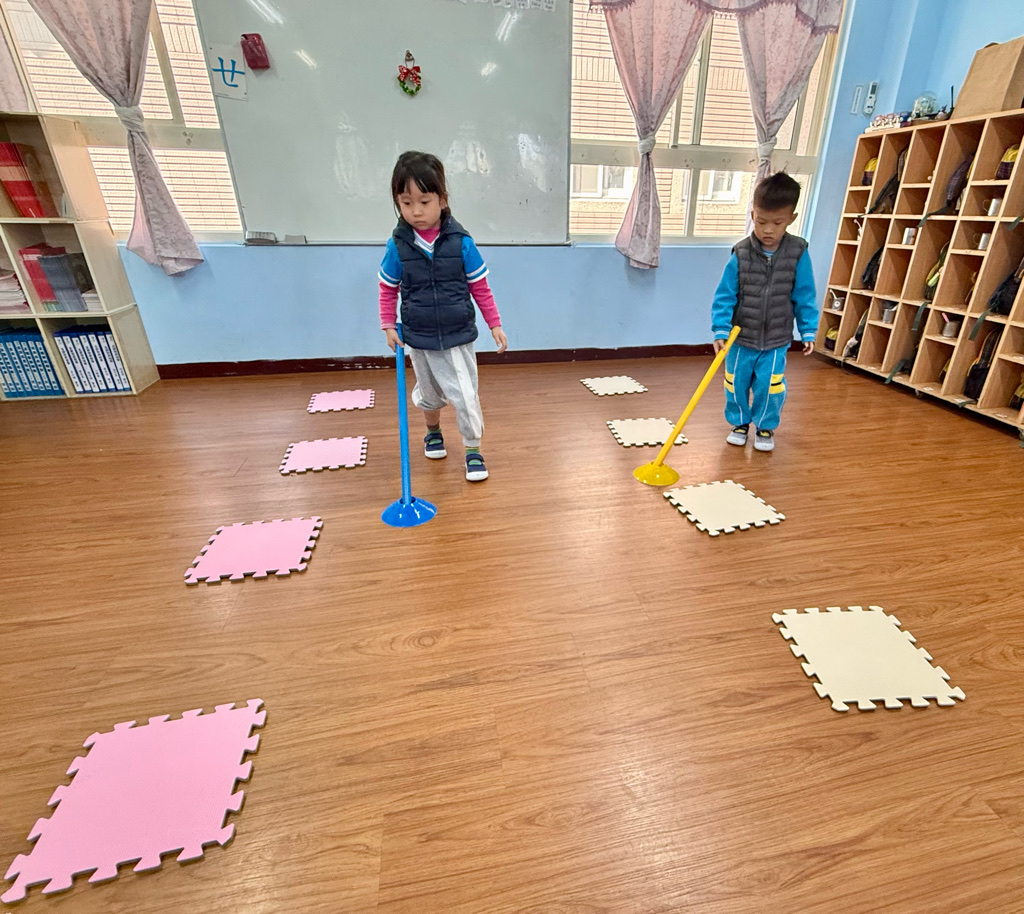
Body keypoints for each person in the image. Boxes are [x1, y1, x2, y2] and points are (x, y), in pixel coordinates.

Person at [378, 151, 508, 481]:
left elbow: (480, 287)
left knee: (465, 395)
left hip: (457, 334)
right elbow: (388, 288)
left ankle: (472, 449)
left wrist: (494, 323)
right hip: (418, 336)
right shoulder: (398, 246)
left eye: (424, 201)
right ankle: (433, 432)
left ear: (442, 199)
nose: (416, 211)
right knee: (430, 394)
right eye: (406, 203)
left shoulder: (461, 243)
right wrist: (388, 324)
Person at [711, 172, 818, 452]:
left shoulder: (798, 252)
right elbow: (725, 295)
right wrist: (720, 328)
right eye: (761, 221)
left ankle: (765, 426)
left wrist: (808, 329)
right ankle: (739, 423)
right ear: (752, 215)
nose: (768, 230)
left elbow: (805, 294)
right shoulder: (741, 253)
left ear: (791, 219)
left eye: (777, 223)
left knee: (770, 387)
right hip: (741, 338)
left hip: (776, 339)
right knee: (735, 383)